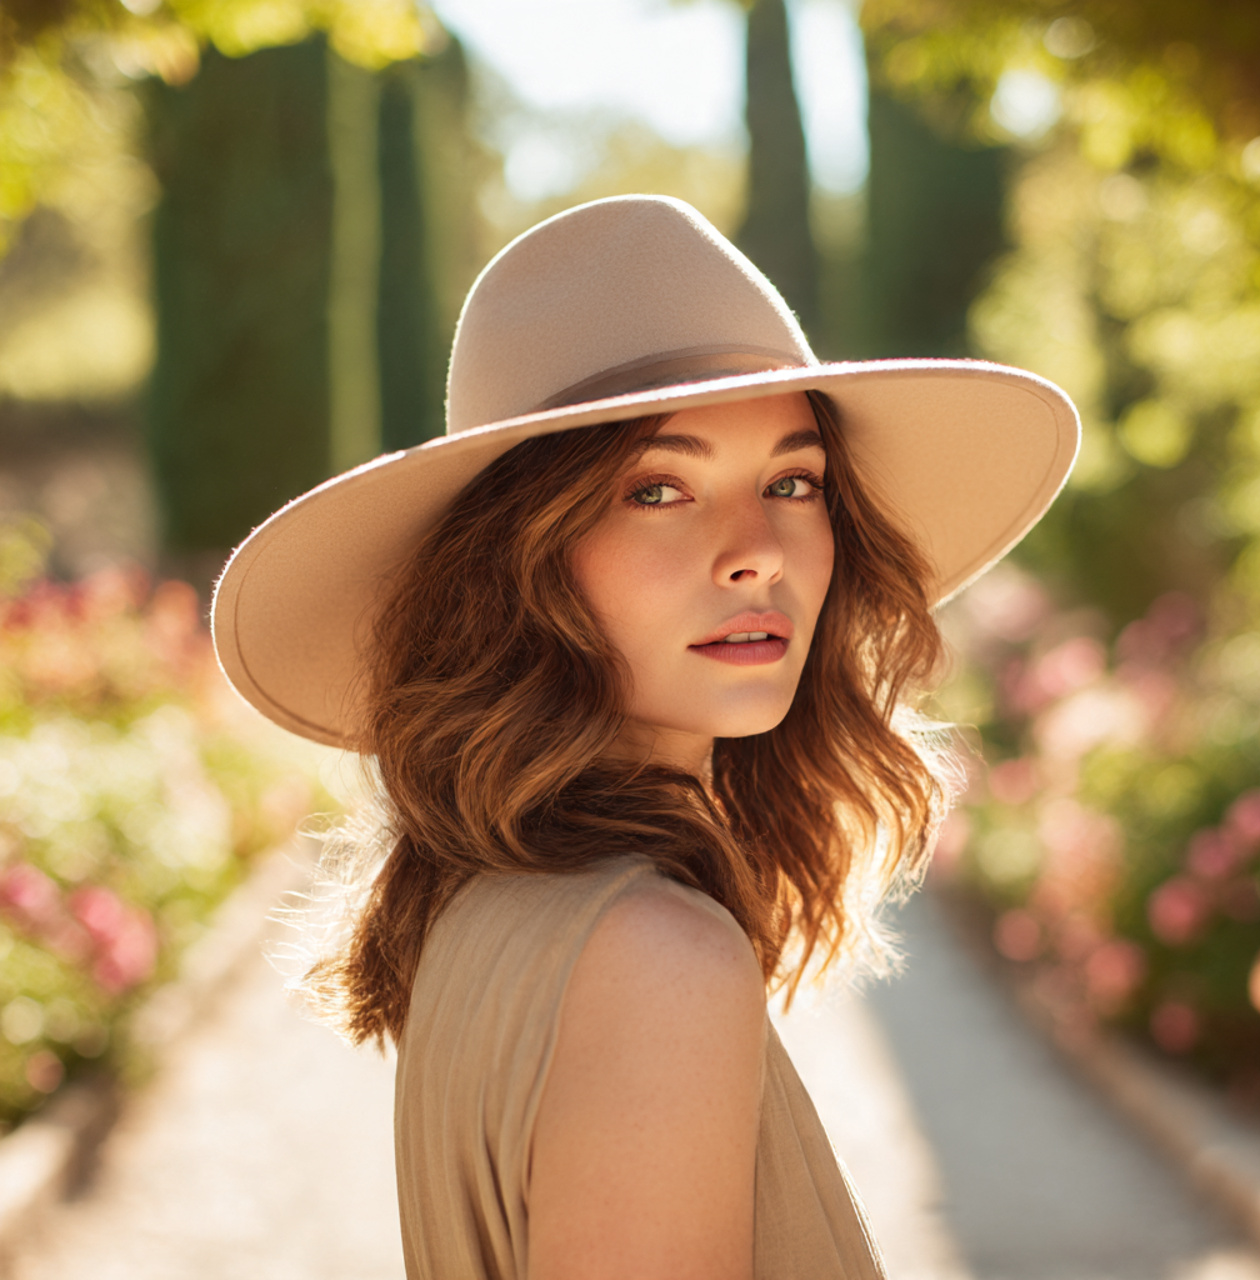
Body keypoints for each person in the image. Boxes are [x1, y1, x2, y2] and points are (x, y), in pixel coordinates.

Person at [212, 194, 1078, 1279]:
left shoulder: (487, 901)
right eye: (658, 487)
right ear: (520, 564)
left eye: (791, 480)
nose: (754, 550)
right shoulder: (649, 957)